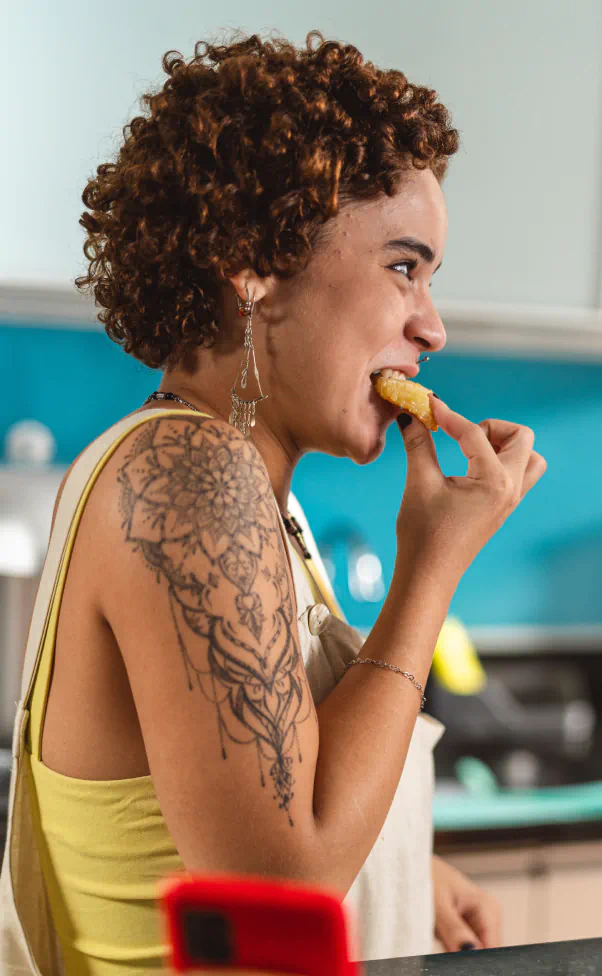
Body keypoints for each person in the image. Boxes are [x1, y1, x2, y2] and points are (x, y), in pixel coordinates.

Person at [0, 30, 546, 974]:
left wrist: (410, 868)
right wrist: (431, 570)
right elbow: (282, 892)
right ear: (253, 262)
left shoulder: (253, 497)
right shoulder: (193, 478)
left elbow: (254, 797)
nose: (432, 326)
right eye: (404, 267)